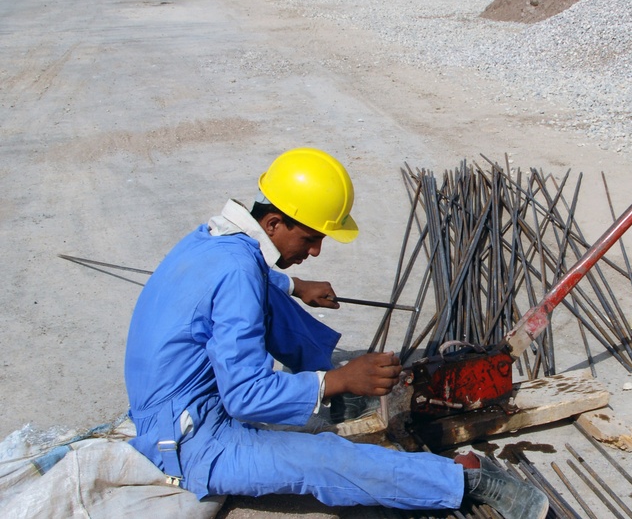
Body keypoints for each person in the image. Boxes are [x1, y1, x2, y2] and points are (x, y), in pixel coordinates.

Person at [124, 147, 547, 518]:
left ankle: (336, 397)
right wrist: (339, 379)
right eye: (310, 239)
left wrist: (296, 286)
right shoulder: (238, 275)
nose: (314, 252)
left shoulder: (215, 239)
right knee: (321, 460)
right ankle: (464, 479)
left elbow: (240, 282)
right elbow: (244, 396)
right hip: (185, 438)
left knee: (271, 300)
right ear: (273, 223)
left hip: (167, 400)